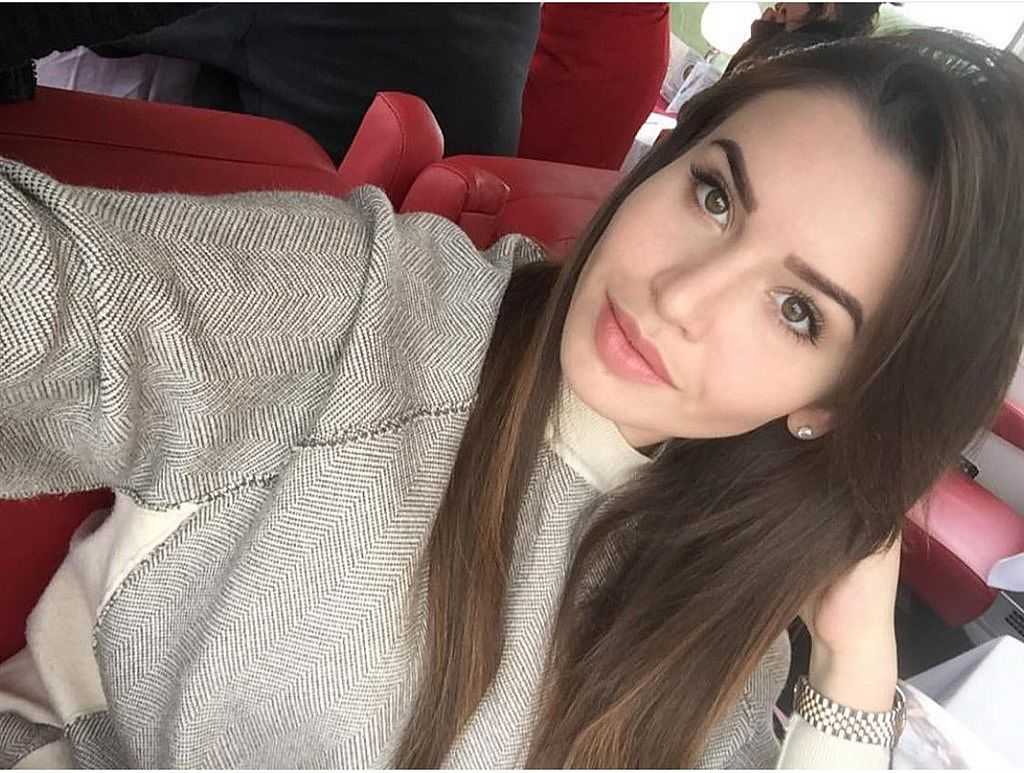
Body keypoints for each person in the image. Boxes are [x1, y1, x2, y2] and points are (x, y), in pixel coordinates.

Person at [1, 28, 1022, 769]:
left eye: (797, 311)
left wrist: (852, 663)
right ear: (659, 165)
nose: (681, 298)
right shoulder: (375, 306)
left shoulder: (724, 605)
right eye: (714, 195)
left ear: (833, 405)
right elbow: (61, 305)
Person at [725, 2, 884, 76]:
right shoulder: (834, 60)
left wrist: (761, 36)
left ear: (828, 7)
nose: (780, 4)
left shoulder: (793, 52)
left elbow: (722, 96)